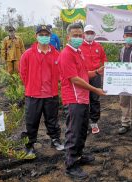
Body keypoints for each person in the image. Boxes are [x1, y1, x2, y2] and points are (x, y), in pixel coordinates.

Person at [58, 23, 106, 180]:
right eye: (75, 35)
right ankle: (71, 165)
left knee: (82, 129)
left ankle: (78, 155)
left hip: (83, 98)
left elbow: (84, 73)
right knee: (74, 131)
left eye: (80, 35)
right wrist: (96, 90)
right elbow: (75, 79)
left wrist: (97, 72)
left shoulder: (78, 52)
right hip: (74, 99)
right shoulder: (66, 54)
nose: (79, 38)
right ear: (68, 37)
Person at [19, 25, 64, 157]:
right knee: (31, 121)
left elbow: (61, 73)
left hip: (51, 94)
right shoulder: (27, 54)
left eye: (46, 34)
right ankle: (30, 145)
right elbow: (23, 73)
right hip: (33, 95)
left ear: (50, 36)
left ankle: (55, 140)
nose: (44, 37)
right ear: (36, 36)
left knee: (52, 119)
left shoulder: (56, 54)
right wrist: (31, 86)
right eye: (41, 34)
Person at [80, 24, 107, 134]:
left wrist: (106, 71)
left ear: (94, 34)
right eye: (88, 33)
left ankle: (94, 122)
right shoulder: (79, 46)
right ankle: (84, 124)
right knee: (84, 100)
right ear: (84, 34)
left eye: (91, 33)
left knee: (95, 99)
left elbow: (104, 59)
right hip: (83, 76)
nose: (90, 35)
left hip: (96, 75)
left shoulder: (98, 46)